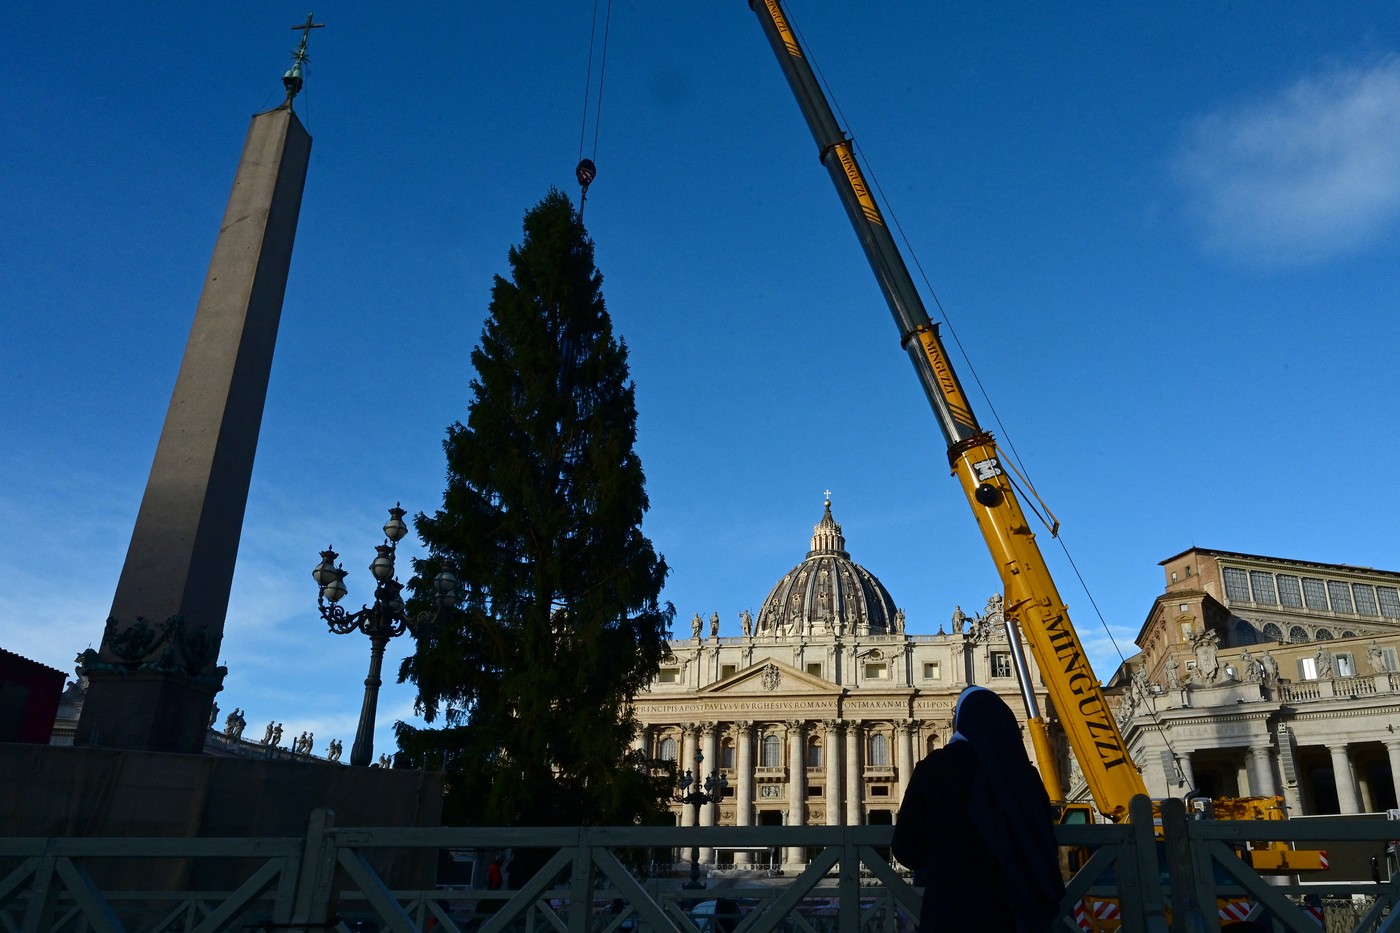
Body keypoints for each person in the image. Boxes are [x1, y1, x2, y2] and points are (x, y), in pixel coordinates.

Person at [892, 686, 1064, 932]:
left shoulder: (935, 769)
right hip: (1017, 913)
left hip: (952, 910)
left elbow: (906, 850)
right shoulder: (1026, 775)